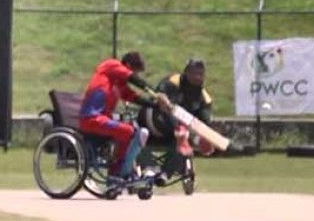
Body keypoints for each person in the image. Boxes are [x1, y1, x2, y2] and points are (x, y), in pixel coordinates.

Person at [79, 51, 171, 181]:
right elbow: (132, 78)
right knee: (127, 131)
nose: (135, 74)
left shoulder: (119, 84)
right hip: (92, 118)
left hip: (102, 120)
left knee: (134, 131)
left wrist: (156, 106)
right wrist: (156, 93)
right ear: (127, 65)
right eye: (135, 71)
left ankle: (123, 170)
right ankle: (116, 173)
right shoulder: (111, 65)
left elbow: (134, 97)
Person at [140, 59, 215, 180]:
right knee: (136, 133)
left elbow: (205, 123)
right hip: (153, 122)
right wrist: (176, 125)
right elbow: (159, 98)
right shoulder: (172, 82)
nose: (197, 77)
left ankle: (164, 174)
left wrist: (206, 139)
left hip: (177, 134)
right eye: (194, 73)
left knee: (184, 142)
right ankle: (149, 167)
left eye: (201, 74)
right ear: (186, 72)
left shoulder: (204, 99)